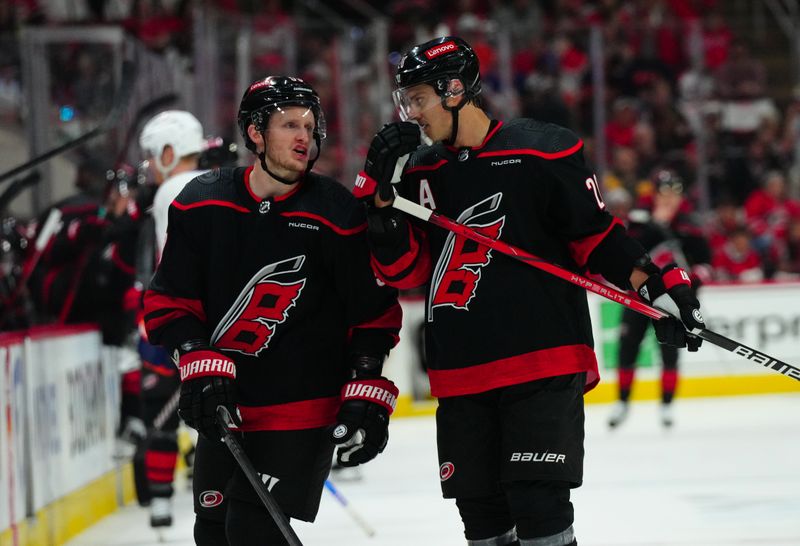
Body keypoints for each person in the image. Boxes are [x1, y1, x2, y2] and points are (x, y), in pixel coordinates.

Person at [354, 36, 705, 546]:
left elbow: (595, 235)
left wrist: (656, 284)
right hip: (460, 372)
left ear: (455, 91)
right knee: (483, 524)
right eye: (406, 100)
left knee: (540, 513)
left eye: (419, 98)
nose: (411, 113)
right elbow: (402, 271)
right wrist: (382, 201)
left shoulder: (541, 149)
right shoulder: (419, 172)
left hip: (541, 362)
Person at [142, 76, 402, 545]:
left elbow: (373, 312)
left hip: (301, 413)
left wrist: (366, 377)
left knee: (251, 531)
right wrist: (194, 353)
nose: (306, 136)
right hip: (226, 409)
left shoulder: (336, 211)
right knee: (214, 534)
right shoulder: (202, 202)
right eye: (289, 125)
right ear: (256, 133)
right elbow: (168, 299)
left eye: (310, 125)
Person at [134, 109, 207, 527]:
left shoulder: (169, 193)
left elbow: (172, 268)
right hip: (211, 321)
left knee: (159, 412)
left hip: (176, 324)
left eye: (151, 155)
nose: (148, 165)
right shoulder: (209, 185)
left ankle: (161, 505)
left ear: (168, 151)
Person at [607, 169, 712, 429]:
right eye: (663, 193)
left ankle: (666, 404)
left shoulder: (690, 224)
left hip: (675, 303)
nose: (668, 199)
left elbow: (706, 264)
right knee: (627, 347)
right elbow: (628, 254)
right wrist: (657, 226)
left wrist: (690, 282)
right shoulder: (639, 221)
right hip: (639, 298)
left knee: (671, 350)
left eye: (673, 193)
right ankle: (622, 401)